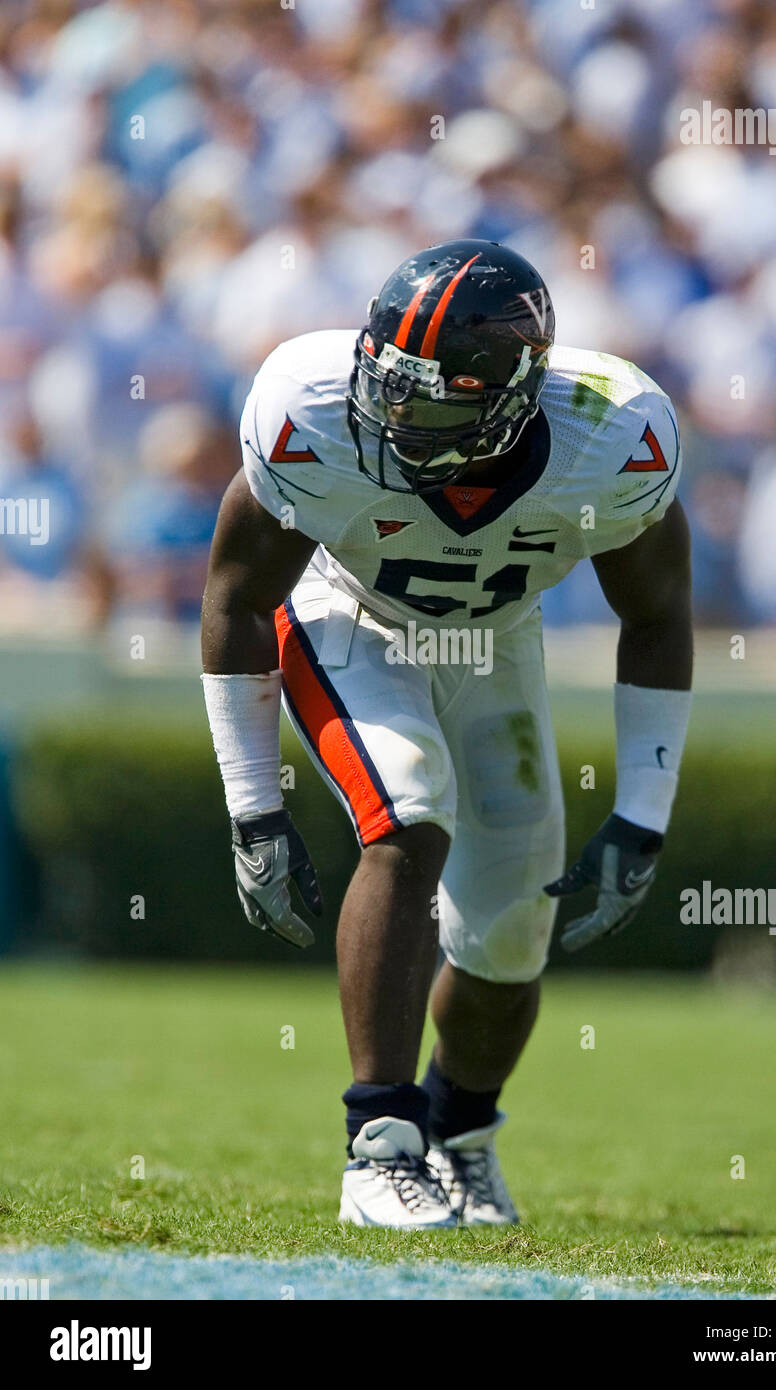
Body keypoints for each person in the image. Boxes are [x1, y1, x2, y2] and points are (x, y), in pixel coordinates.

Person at [201, 239, 693, 1228]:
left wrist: (641, 812)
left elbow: (656, 615)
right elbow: (236, 598)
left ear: (510, 399)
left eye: (424, 405)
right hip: (350, 620)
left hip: (495, 642)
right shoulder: (311, 413)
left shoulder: (612, 439)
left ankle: (457, 1132)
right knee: (408, 814)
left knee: (514, 916)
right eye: (385, 388)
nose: (389, 417)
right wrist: (253, 808)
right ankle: (376, 1144)